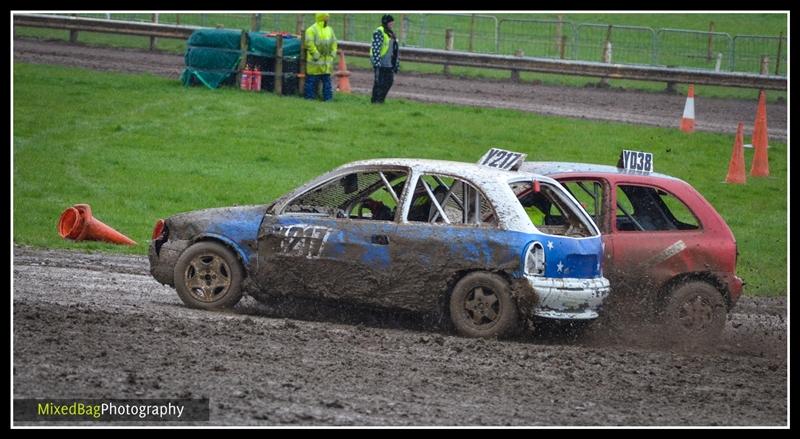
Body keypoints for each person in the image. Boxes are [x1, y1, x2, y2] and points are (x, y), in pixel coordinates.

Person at [304, 13, 337, 101]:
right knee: (311, 81)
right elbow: (309, 43)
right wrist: (316, 55)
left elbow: (334, 42)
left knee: (327, 83)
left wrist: (332, 54)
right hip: (314, 63)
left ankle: (328, 99)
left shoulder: (330, 30)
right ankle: (309, 98)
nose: (327, 19)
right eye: (326, 17)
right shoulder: (311, 30)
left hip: (326, 63)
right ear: (321, 17)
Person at [370, 14, 400, 104]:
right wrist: (377, 62)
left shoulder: (391, 33)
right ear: (386, 22)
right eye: (391, 23)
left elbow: (395, 50)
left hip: (388, 62)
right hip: (380, 61)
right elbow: (376, 48)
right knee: (379, 82)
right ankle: (376, 101)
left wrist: (396, 63)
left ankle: (380, 100)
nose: (392, 24)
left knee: (389, 81)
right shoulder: (379, 31)